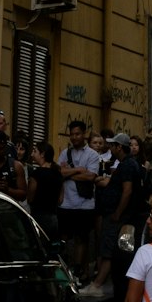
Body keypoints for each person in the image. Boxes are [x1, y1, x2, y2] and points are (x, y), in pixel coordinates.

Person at [82, 133, 144, 301]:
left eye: (113, 145)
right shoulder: (127, 164)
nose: (110, 148)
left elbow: (127, 190)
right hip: (119, 214)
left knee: (109, 249)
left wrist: (118, 212)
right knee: (110, 248)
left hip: (119, 215)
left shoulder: (127, 166)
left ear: (119, 148)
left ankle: (97, 285)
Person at [59, 119, 101, 283]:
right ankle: (66, 268)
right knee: (65, 237)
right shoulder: (64, 153)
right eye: (72, 134)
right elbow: (60, 173)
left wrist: (69, 173)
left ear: (83, 134)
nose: (74, 137)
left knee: (81, 239)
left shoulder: (92, 155)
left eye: (77, 134)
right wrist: (78, 170)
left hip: (85, 205)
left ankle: (78, 271)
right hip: (66, 203)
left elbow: (91, 176)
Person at [28, 141, 63, 242]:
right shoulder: (58, 174)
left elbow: (30, 198)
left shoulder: (36, 174)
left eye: (35, 151)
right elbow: (60, 200)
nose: (32, 154)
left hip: (38, 217)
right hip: (53, 218)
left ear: (42, 154)